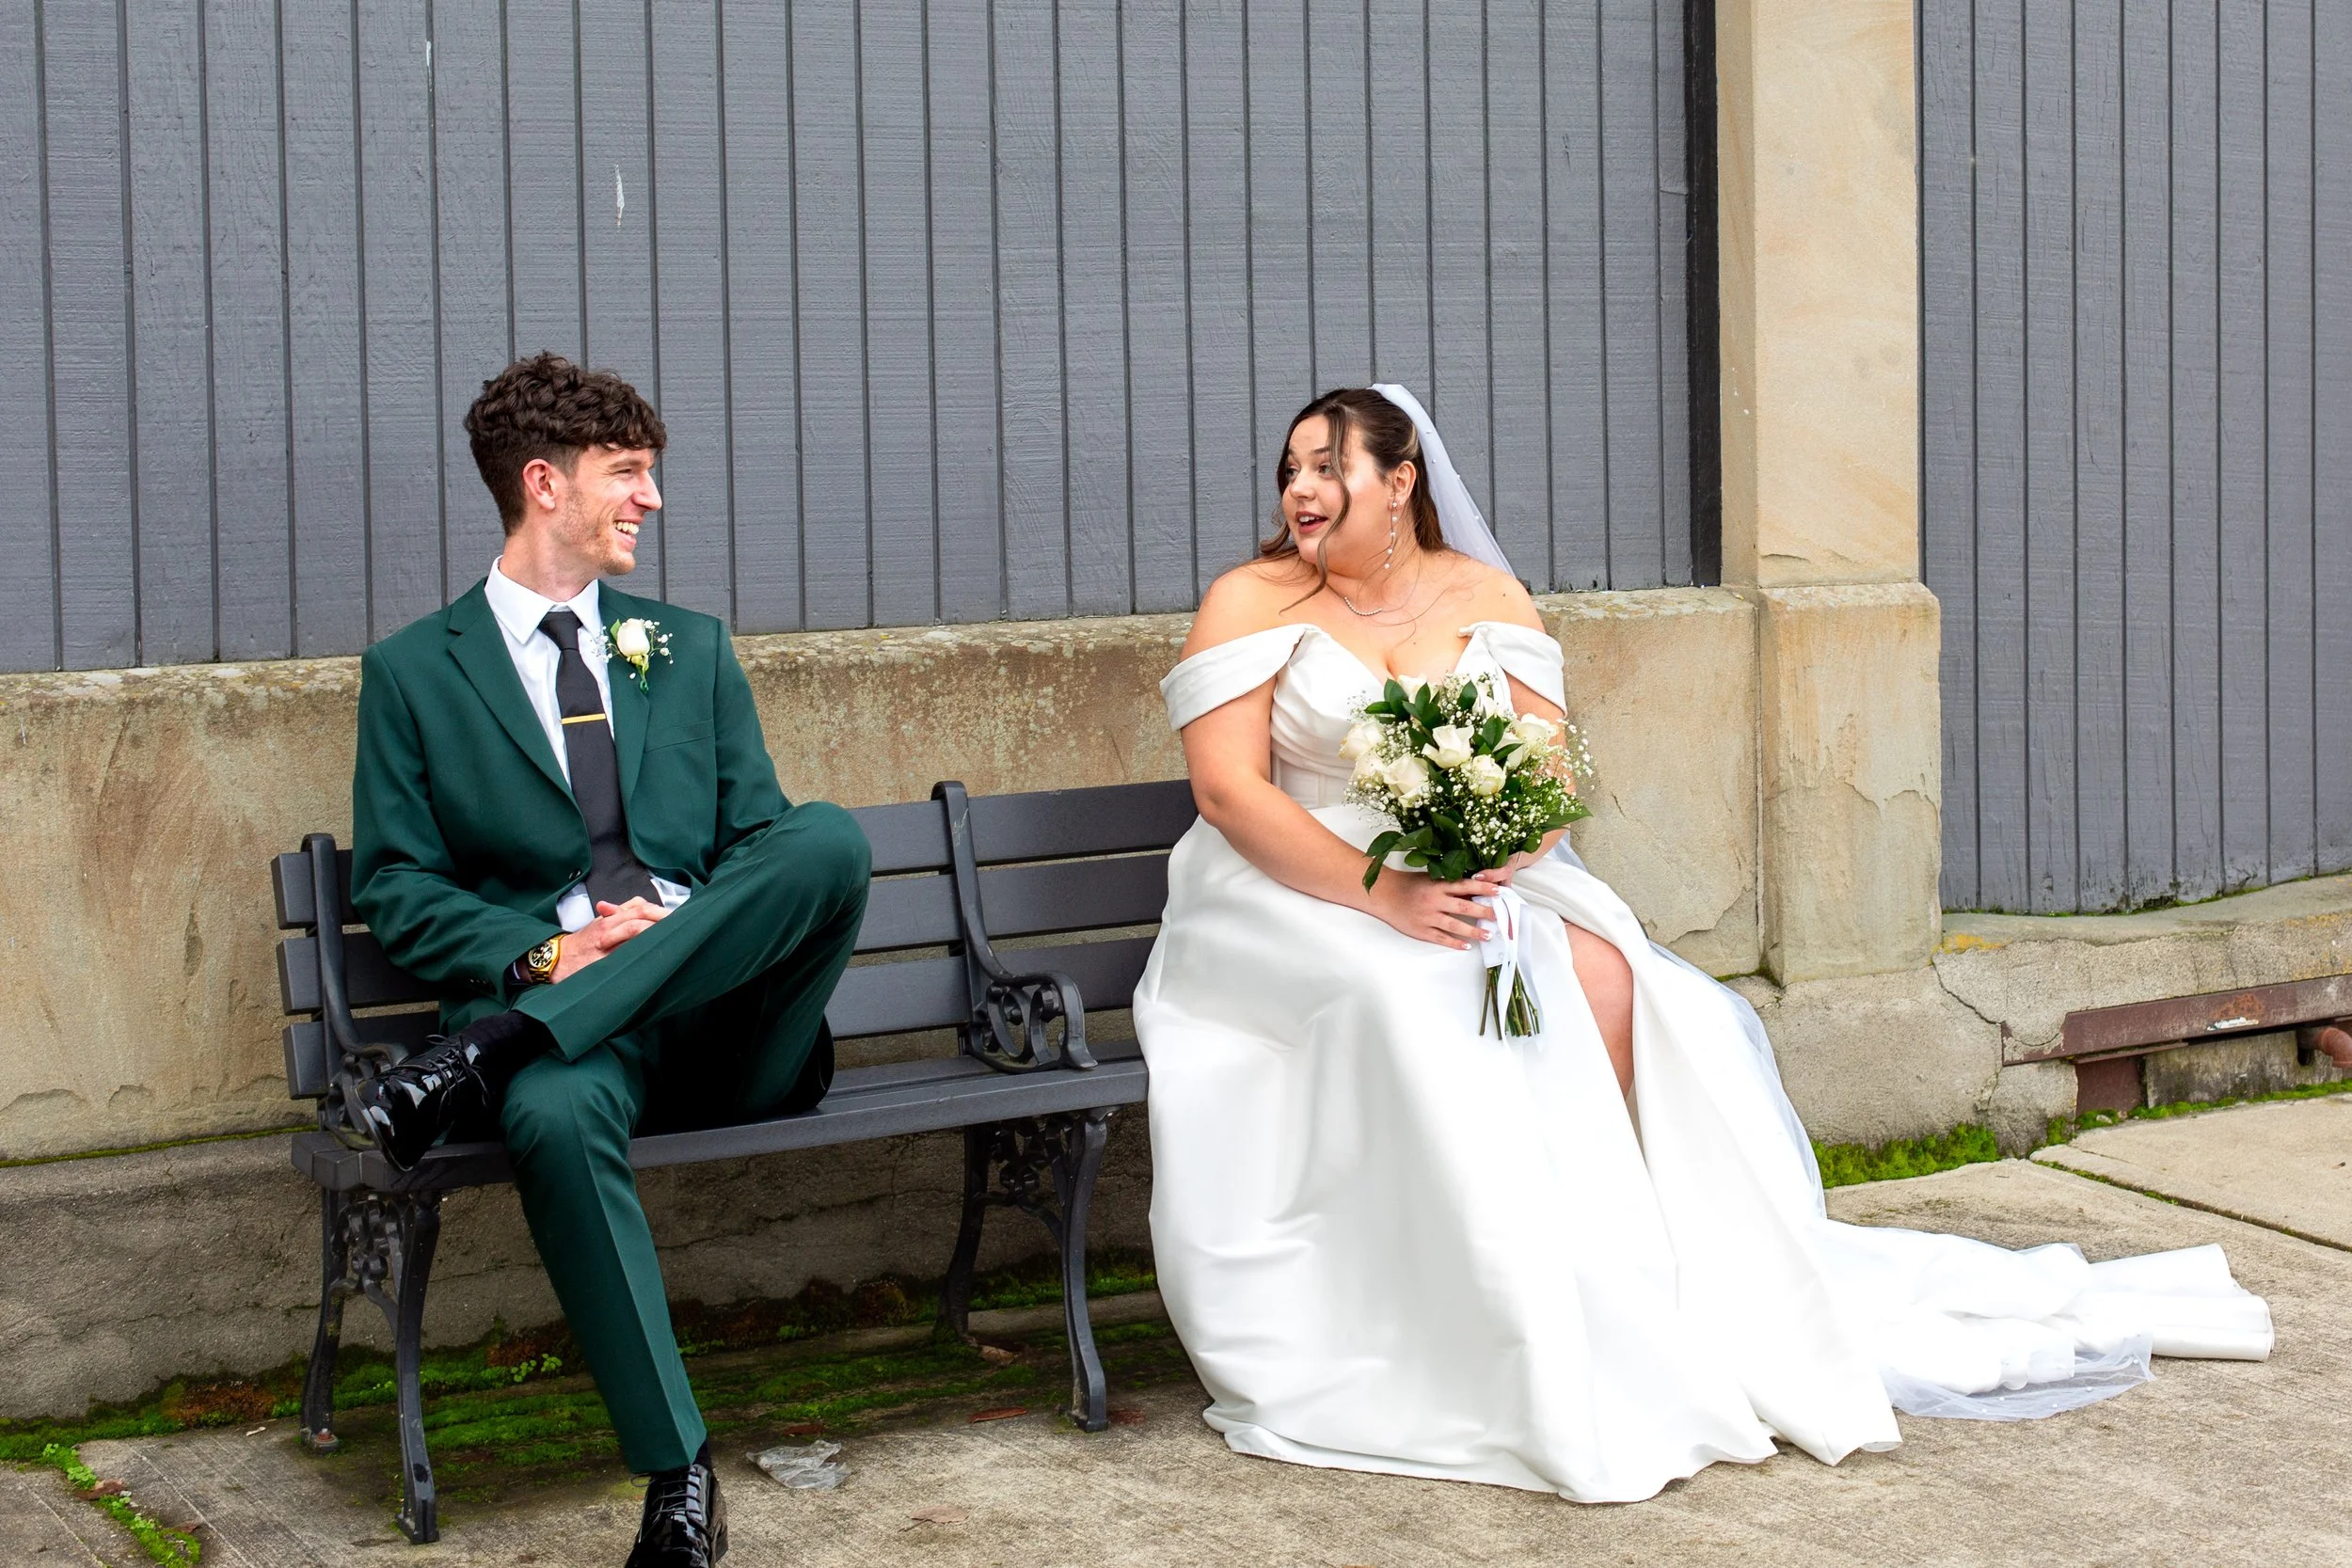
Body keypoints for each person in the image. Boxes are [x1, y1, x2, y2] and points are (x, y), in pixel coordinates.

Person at [1131, 385, 2274, 1503]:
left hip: (1463, 873)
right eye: (1290, 469)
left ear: (1400, 480)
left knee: (1617, 980)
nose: (1301, 489)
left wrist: (1494, 846)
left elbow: (1553, 776)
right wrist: (1385, 895)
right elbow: (1231, 792)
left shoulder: (1482, 592)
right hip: (1288, 890)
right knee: (1412, 994)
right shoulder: (1251, 600)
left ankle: (1628, 1270)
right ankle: (1451, 1318)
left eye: (1327, 465)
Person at [347, 353, 870, 1566]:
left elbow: (761, 852)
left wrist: (644, 940)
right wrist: (550, 947)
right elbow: (395, 886)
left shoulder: (686, 645)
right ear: (545, 483)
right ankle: (678, 1473)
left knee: (827, 839)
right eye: (627, 474)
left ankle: (489, 1048)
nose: (651, 499)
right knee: (547, 1108)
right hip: (591, 1037)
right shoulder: (415, 675)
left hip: (737, 1029)